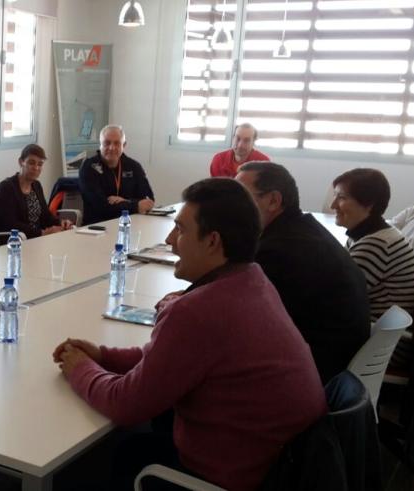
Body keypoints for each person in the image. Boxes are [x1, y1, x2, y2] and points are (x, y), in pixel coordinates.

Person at [53, 178, 326, 491]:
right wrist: (105, 356)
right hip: (277, 463)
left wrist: (79, 368)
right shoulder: (252, 280)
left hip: (228, 476)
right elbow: (172, 359)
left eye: (180, 229)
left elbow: (125, 404)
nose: (170, 240)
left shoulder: (199, 310)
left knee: (104, 459)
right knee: (131, 446)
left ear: (212, 241)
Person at [236, 161, 369, 383]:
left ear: (273, 201)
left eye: (240, 197)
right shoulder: (301, 231)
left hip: (314, 375)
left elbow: (236, 317)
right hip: (337, 364)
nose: (231, 206)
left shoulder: (280, 250)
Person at [331, 168, 414, 322]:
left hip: (373, 337)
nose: (333, 205)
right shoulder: (368, 235)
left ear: (368, 204)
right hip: (368, 329)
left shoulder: (377, 245)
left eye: (341, 198)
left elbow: (332, 295)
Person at [0, 143, 73, 240]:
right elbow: (10, 224)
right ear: (21, 162)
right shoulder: (6, 187)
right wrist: (43, 232)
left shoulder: (36, 185)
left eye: (40, 164)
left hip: (38, 240)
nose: (36, 168)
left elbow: (46, 216)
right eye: (31, 163)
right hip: (14, 243)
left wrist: (61, 222)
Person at [78, 125, 155, 224]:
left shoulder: (134, 166)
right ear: (100, 144)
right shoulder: (88, 168)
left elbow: (148, 200)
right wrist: (135, 206)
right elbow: (101, 207)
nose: (111, 147)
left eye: (117, 143)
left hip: (131, 224)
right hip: (98, 227)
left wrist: (126, 202)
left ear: (124, 145)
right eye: (107, 143)